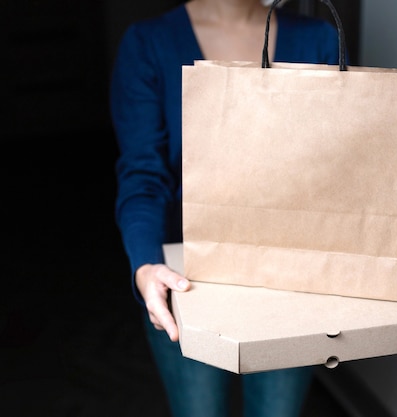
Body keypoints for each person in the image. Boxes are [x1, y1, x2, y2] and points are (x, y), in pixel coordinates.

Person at [109, 0, 343, 416]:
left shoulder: (318, 39)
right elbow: (143, 176)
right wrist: (145, 266)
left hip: (296, 285)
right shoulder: (148, 44)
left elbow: (338, 175)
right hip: (189, 279)